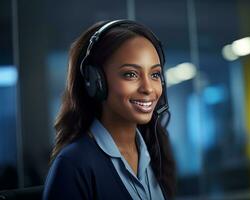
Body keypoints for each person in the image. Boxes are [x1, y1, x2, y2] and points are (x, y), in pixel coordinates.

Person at [43, 19, 176, 200]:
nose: (149, 88)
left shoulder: (155, 153)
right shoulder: (73, 164)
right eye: (130, 74)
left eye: (155, 74)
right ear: (96, 82)